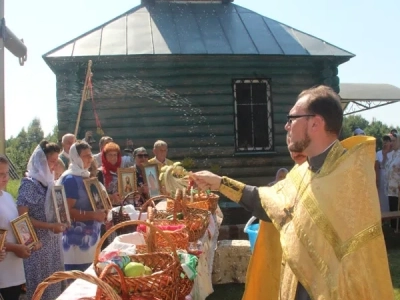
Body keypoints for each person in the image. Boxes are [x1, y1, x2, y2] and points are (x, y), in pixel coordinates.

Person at [191, 85, 394, 299]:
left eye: (292, 118)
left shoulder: (350, 176)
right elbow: (267, 203)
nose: (286, 126)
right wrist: (220, 183)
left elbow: (357, 262)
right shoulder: (302, 172)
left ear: (315, 123)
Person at [16, 141, 65, 300]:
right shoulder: (29, 185)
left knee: (55, 289)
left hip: (53, 247)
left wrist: (64, 220)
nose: (54, 165)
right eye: (51, 161)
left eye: (56, 161)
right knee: (41, 291)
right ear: (41, 161)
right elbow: (22, 218)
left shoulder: (50, 183)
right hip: (38, 249)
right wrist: (50, 226)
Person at [57, 141, 107, 272]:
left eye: (91, 155)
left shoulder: (85, 176)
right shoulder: (71, 180)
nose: (90, 159)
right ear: (76, 157)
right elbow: (66, 212)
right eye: (86, 156)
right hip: (76, 244)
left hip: (91, 240)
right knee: (78, 283)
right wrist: (94, 215)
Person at [0, 155, 39, 300]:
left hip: (14, 268)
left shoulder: (8, 197)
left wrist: (29, 242)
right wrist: (14, 248)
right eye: (1, 174)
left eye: (7, 173)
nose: (6, 177)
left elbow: (17, 225)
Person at [375, 134, 392, 212]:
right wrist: (384, 155)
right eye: (384, 141)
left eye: (387, 141)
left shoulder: (393, 153)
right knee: (381, 198)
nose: (385, 143)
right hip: (381, 177)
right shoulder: (378, 153)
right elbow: (380, 166)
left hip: (390, 178)